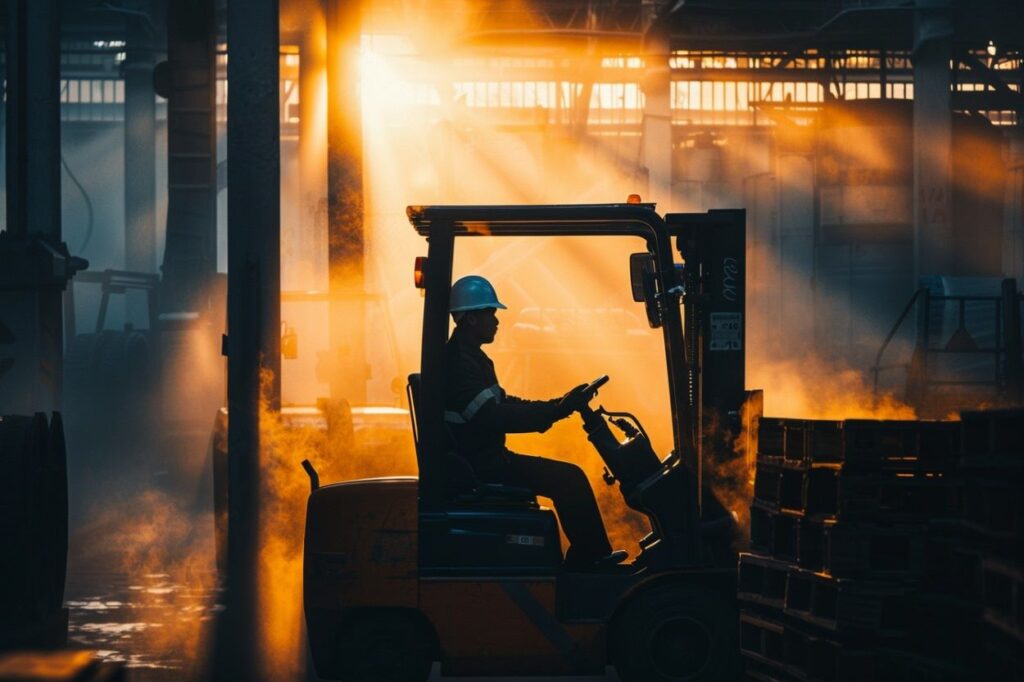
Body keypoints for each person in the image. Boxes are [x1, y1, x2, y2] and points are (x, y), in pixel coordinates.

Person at [443, 275, 626, 571]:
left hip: (485, 458)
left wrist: (556, 405)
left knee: (568, 477)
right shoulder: (459, 364)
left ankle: (590, 558)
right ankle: (590, 562)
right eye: (490, 313)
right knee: (569, 479)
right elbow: (493, 416)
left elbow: (503, 403)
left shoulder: (472, 359)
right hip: (484, 466)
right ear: (471, 319)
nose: (497, 321)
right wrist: (553, 413)